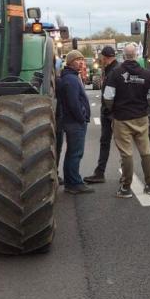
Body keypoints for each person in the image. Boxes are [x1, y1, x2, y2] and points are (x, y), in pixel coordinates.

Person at [103, 44, 150, 198]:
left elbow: (108, 97)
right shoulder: (145, 74)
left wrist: (113, 109)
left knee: (126, 154)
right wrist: (145, 105)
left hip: (122, 118)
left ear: (124, 55)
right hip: (141, 118)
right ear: (136, 55)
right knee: (146, 152)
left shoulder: (115, 73)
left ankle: (126, 188)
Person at [57, 50, 94, 194]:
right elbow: (73, 103)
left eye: (82, 60)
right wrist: (82, 117)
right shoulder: (71, 80)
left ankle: (70, 182)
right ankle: (74, 183)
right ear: (70, 62)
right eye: (77, 60)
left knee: (72, 152)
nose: (81, 62)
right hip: (74, 122)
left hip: (71, 121)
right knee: (75, 153)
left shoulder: (70, 77)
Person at [84, 46, 120, 184]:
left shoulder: (114, 71)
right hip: (112, 112)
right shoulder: (112, 69)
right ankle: (100, 171)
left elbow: (112, 95)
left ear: (104, 57)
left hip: (111, 113)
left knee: (116, 143)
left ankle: (101, 172)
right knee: (108, 142)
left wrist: (108, 111)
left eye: (102, 58)